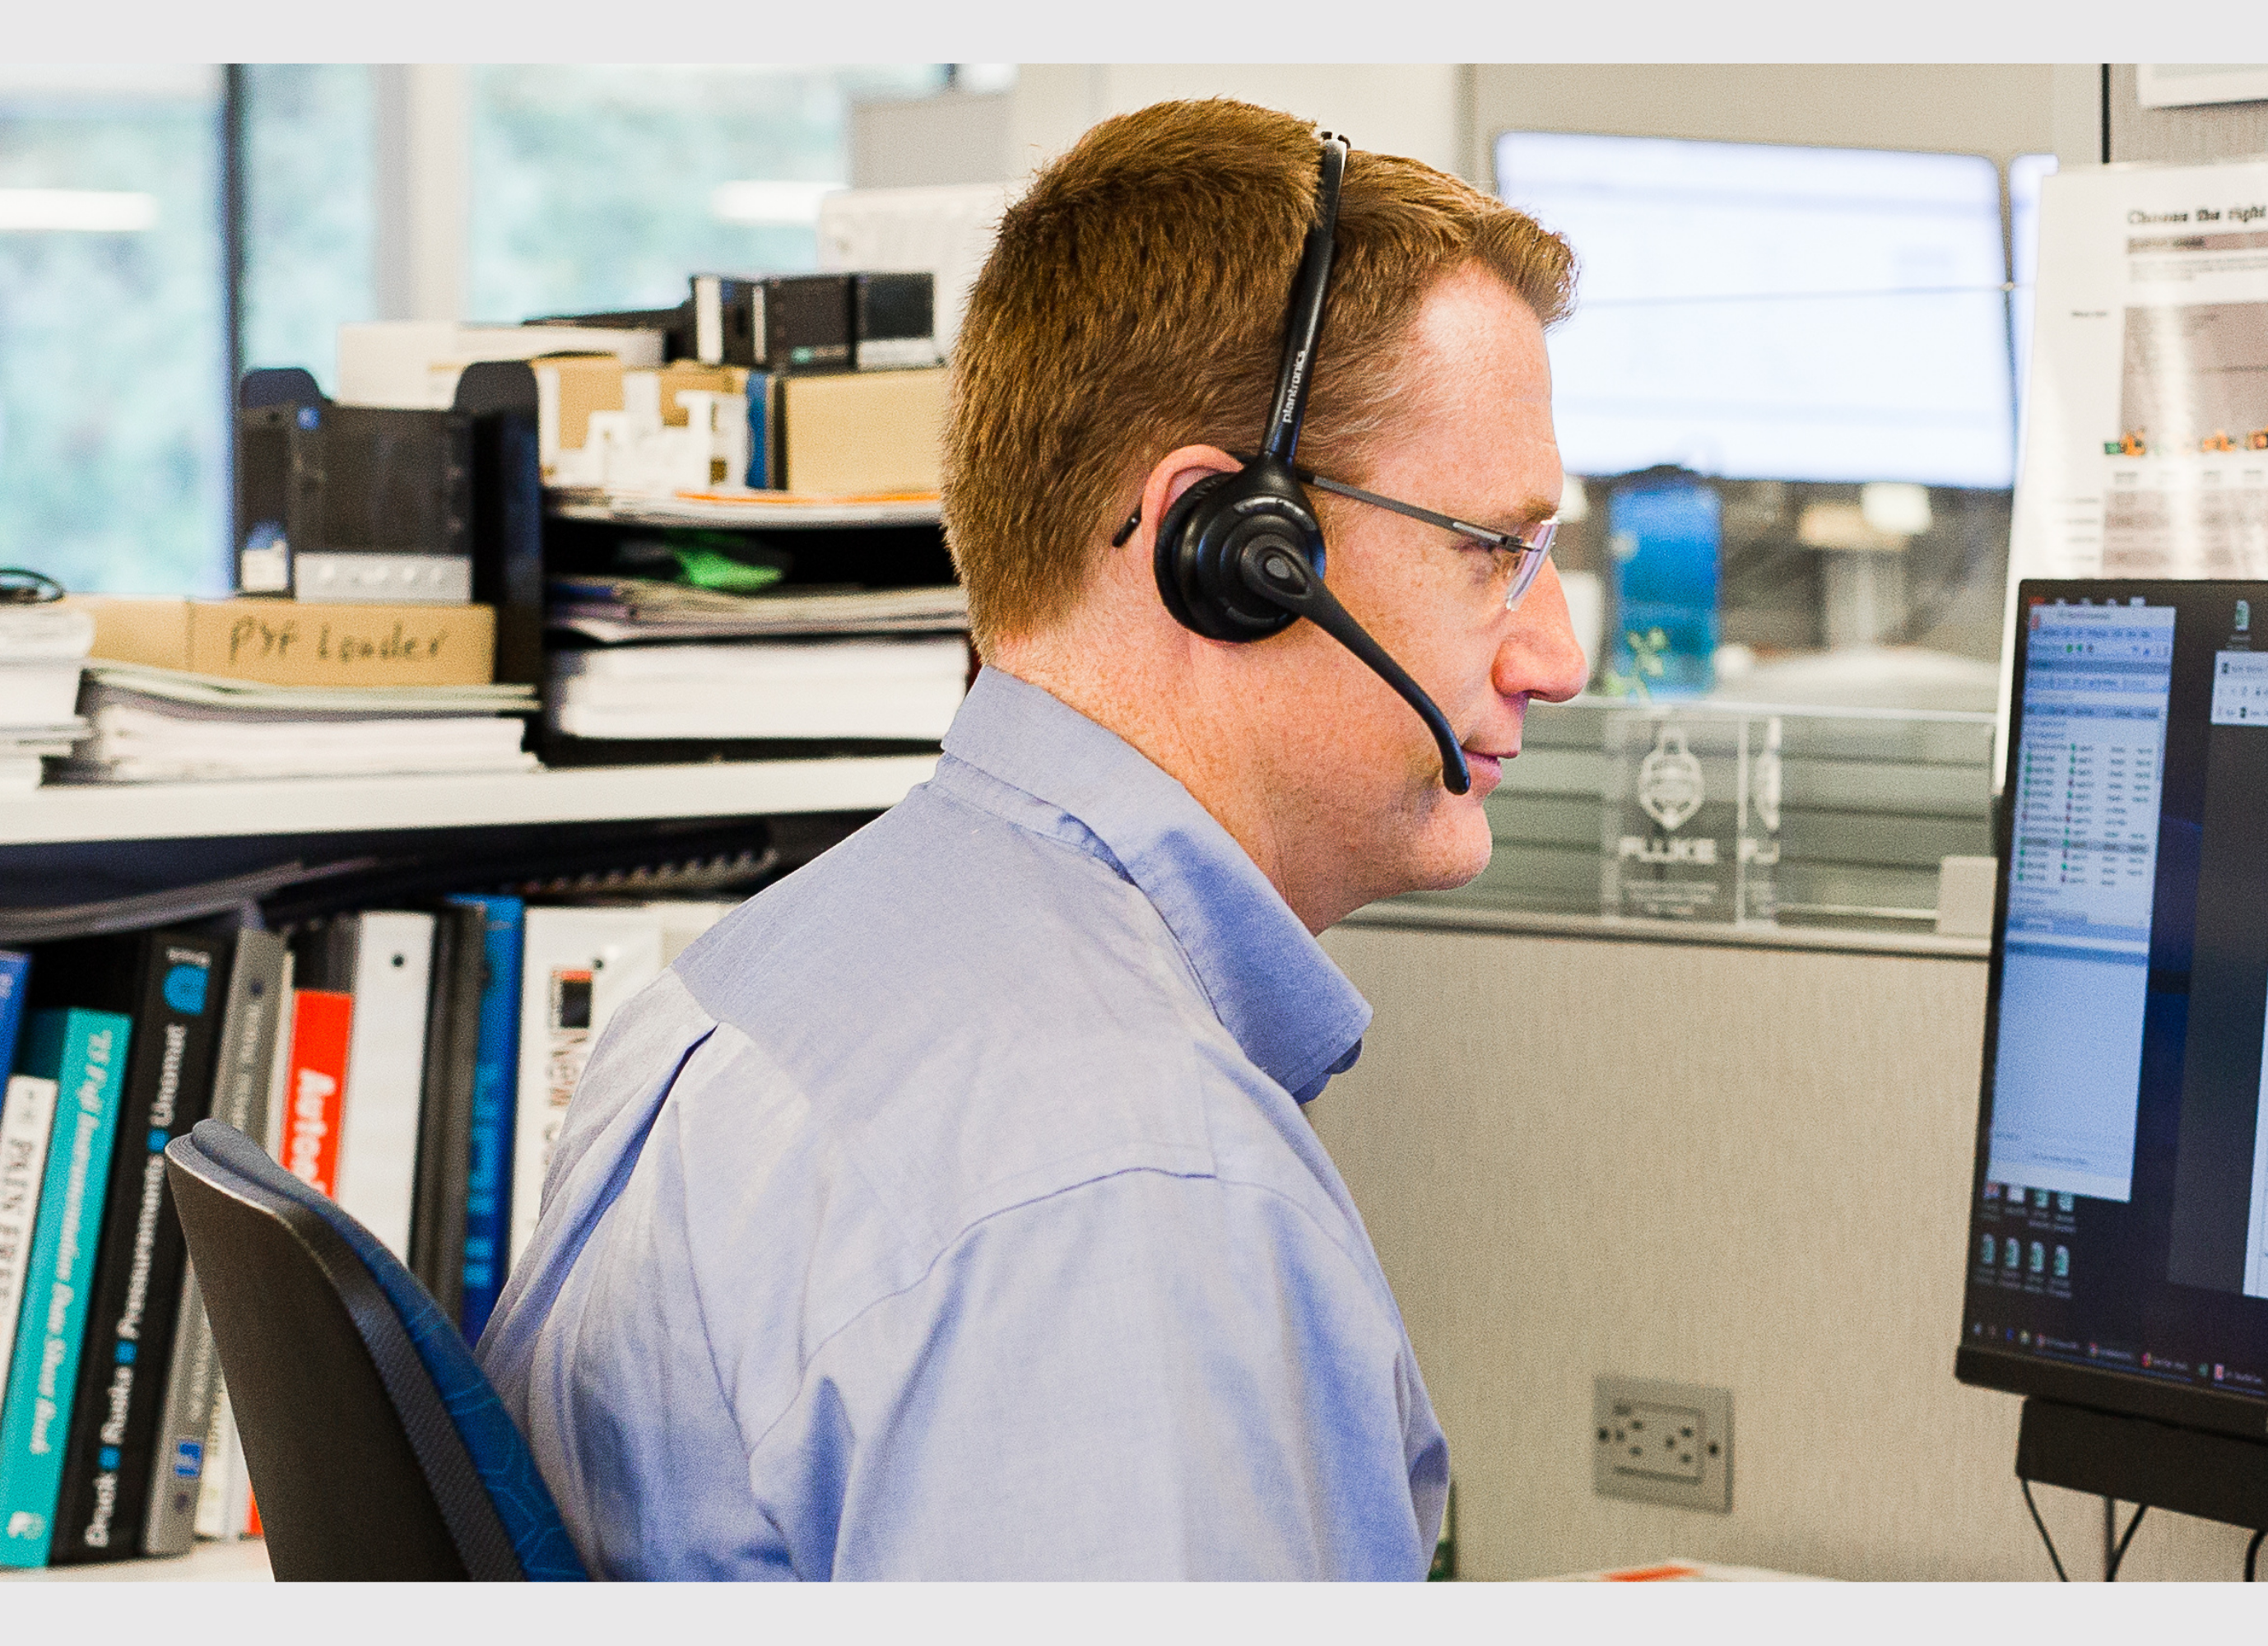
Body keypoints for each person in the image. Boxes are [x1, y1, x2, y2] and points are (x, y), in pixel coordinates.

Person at [477, 99, 1587, 1579]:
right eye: (1492, 551)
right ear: (1236, 553)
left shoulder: (759, 981)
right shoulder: (1128, 1197)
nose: (1558, 654)